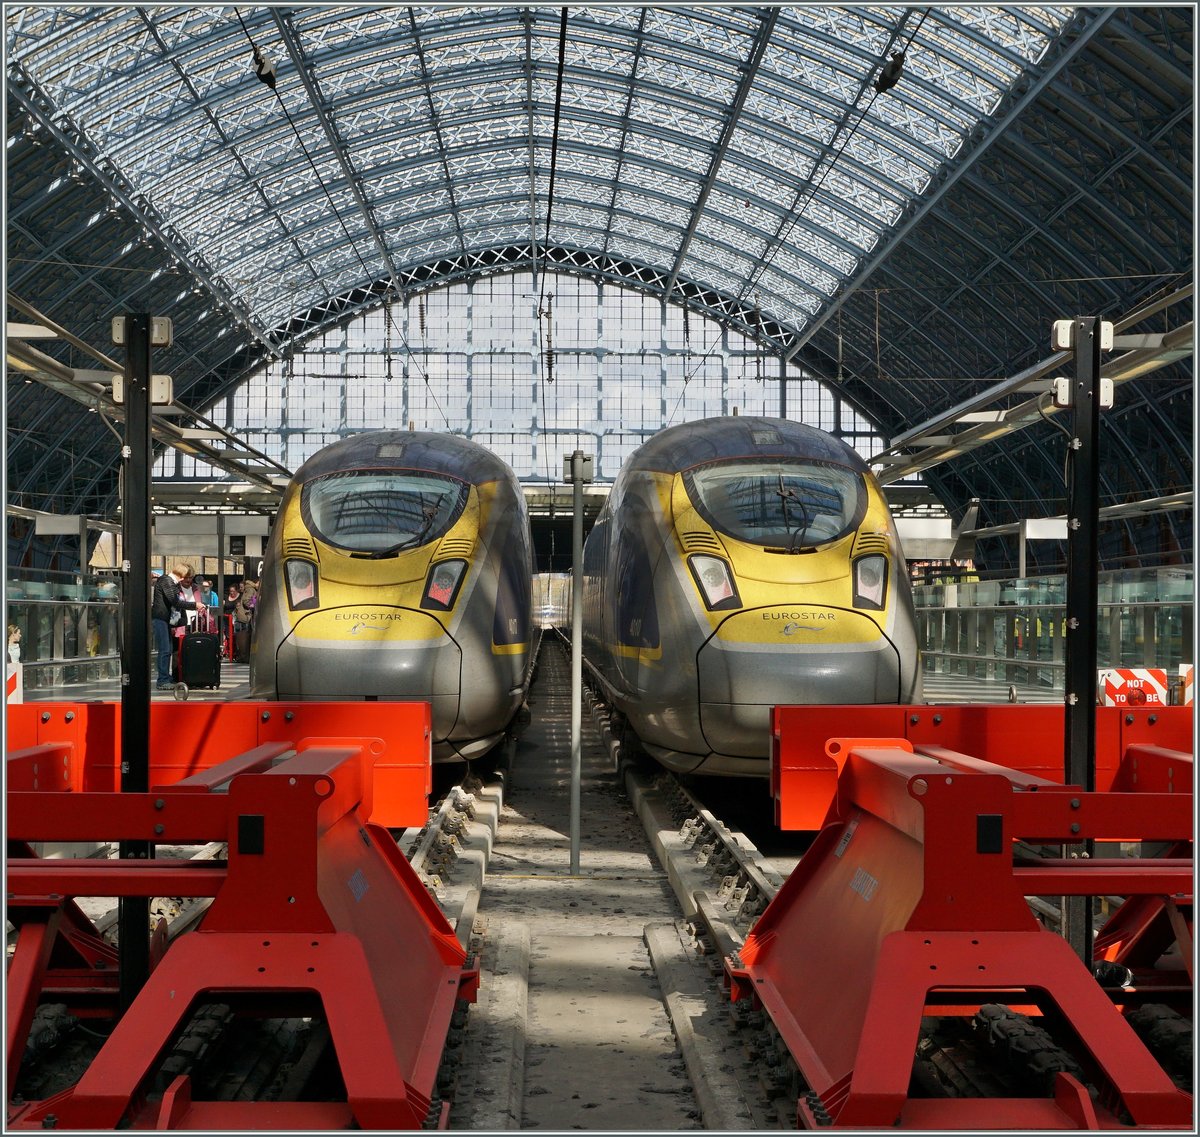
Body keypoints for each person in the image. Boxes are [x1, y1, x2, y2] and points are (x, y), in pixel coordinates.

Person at [151, 563, 196, 689]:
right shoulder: (166, 581)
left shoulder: (171, 583)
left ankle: (165, 676)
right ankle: (162, 680)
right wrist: (194, 605)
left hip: (165, 620)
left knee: (168, 648)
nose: (186, 580)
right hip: (161, 619)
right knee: (165, 649)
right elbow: (174, 601)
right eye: (185, 576)